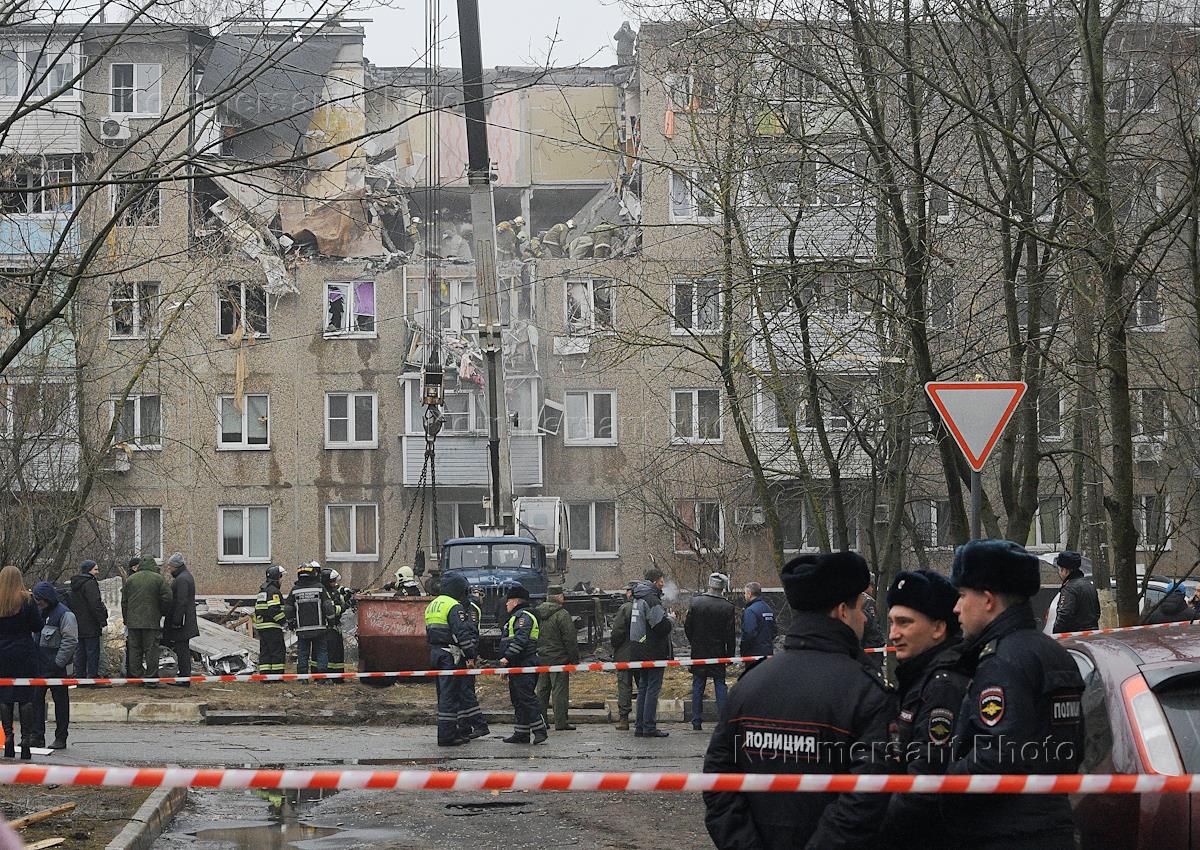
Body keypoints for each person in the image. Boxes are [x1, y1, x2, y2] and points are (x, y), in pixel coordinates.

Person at [703, 551, 893, 849]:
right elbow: (868, 795)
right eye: (861, 609)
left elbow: (717, 782)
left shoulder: (749, 684)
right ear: (843, 611)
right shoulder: (865, 692)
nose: (864, 618)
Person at [946, 539, 1085, 850]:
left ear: (988, 599)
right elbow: (1073, 749)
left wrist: (947, 782)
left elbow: (996, 755)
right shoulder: (1054, 653)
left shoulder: (1002, 662)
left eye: (962, 595)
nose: (956, 607)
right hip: (1052, 825)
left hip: (1005, 831)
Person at [880, 570, 969, 847]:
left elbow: (925, 783)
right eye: (891, 623)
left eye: (904, 623)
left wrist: (875, 829)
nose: (894, 634)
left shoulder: (943, 686)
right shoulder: (919, 676)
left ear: (938, 628)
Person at [424, 572, 479, 746]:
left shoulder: (433, 605)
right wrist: (470, 654)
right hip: (451, 654)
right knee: (450, 696)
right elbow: (461, 633)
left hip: (436, 652)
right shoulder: (454, 606)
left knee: (442, 694)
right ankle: (447, 736)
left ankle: (451, 731)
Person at [684, 572, 736, 731]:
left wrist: (694, 642)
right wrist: (730, 654)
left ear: (709, 585)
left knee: (698, 685)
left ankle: (696, 721)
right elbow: (730, 634)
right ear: (722, 588)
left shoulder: (696, 602)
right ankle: (722, 720)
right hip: (718, 652)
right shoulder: (728, 607)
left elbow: (688, 626)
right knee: (720, 685)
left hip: (699, 651)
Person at [0, 566, 42, 759]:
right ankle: (25, 740)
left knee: (5, 696)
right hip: (25, 652)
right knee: (26, 698)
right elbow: (37, 625)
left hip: (2, 653)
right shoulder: (27, 599)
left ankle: (8, 737)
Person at [498, 584, 547, 745]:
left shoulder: (524, 616)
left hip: (525, 662)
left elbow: (521, 639)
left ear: (515, 601)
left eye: (508, 601)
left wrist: (506, 658)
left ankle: (540, 730)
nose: (506, 604)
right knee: (518, 698)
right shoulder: (516, 616)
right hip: (517, 663)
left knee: (526, 697)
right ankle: (521, 733)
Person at [31, 581, 77, 750]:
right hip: (39, 667)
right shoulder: (38, 612)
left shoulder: (65, 614)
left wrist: (58, 662)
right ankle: (37, 737)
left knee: (61, 703)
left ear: (47, 598)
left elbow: (70, 640)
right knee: (35, 701)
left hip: (58, 669)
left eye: (40, 600)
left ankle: (61, 738)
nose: (38, 603)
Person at [630, 568, 673, 738]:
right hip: (652, 650)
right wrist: (671, 619)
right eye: (662, 581)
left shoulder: (638, 597)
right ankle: (649, 726)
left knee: (643, 688)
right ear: (655, 581)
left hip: (639, 649)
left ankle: (640, 726)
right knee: (652, 688)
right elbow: (660, 627)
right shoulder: (651, 599)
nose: (663, 584)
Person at [121, 554, 172, 686]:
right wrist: (161, 612)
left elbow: (124, 602)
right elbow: (167, 598)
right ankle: (151, 680)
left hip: (133, 622)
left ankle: (137, 678)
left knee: (135, 650)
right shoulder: (158, 579)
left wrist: (127, 619)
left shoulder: (130, 580)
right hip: (151, 621)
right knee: (151, 650)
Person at [535, 585, 580, 731]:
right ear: (559, 597)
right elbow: (570, 639)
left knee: (541, 691)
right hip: (559, 659)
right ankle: (561, 723)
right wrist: (574, 660)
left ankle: (541, 721)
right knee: (559, 691)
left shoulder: (537, 613)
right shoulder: (562, 614)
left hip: (541, 657)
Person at [286, 562, 334, 679]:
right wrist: (331, 621)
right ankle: (321, 678)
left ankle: (303, 678)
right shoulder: (320, 588)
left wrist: (291, 622)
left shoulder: (295, 590)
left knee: (303, 653)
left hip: (302, 629)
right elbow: (328, 606)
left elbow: (288, 608)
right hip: (320, 628)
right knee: (321, 652)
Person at [457, 588, 489, 739]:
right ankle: (464, 726)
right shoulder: (465, 605)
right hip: (465, 653)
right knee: (461, 691)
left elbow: (470, 632)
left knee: (466, 691)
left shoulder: (469, 607)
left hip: (467, 655)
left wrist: (470, 656)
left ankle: (479, 724)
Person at [162, 553, 198, 686]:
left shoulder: (182, 579)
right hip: (184, 620)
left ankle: (184, 679)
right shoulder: (185, 576)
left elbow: (181, 601)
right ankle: (184, 676)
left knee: (182, 649)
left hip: (182, 621)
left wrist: (176, 620)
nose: (169, 570)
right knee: (182, 649)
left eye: (170, 567)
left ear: (176, 566)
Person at [68, 560, 108, 679]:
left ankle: (80, 677)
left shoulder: (75, 584)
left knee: (80, 652)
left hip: (78, 624)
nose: (98, 572)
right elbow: (95, 604)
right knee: (92, 652)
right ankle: (92, 678)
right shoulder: (90, 583)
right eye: (95, 569)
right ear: (89, 570)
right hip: (91, 624)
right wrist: (102, 620)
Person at [1051, 551, 1101, 632]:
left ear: (1065, 570)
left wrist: (1056, 634)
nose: (1059, 573)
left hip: (1073, 637)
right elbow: (1097, 612)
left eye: (1060, 569)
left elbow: (1064, 615)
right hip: (1091, 634)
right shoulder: (1089, 585)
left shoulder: (1069, 588)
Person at [610, 582, 636, 731]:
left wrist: (616, 646)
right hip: (642, 654)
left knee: (625, 686)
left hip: (625, 653)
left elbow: (617, 632)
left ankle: (624, 719)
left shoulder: (625, 608)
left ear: (630, 593)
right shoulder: (646, 606)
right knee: (643, 685)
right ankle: (645, 720)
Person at [254, 566, 287, 675]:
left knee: (265, 651)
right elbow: (274, 610)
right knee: (277, 651)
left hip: (262, 627)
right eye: (281, 577)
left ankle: (265, 675)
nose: (282, 580)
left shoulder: (262, 591)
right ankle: (277, 675)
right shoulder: (274, 591)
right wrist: (284, 622)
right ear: (277, 577)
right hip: (272, 626)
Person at [740, 582, 775, 672]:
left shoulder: (750, 611)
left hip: (753, 655)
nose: (744, 596)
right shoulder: (768, 609)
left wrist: (743, 650)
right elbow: (774, 631)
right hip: (768, 653)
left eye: (745, 593)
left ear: (749, 594)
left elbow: (748, 633)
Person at [320, 568, 347, 680]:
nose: (335, 583)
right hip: (330, 628)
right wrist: (345, 606)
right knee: (333, 653)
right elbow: (333, 609)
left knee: (336, 652)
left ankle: (337, 675)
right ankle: (334, 676)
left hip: (331, 627)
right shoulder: (326, 593)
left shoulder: (327, 591)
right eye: (333, 581)